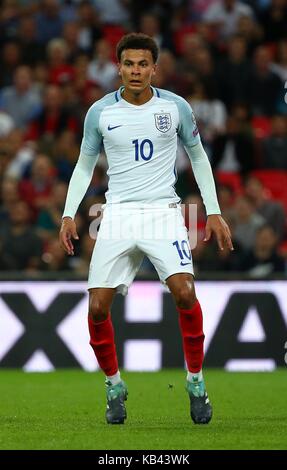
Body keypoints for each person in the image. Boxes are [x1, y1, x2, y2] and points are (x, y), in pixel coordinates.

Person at [59, 33, 233, 425]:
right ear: (118, 67)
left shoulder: (175, 108)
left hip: (163, 212)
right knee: (97, 306)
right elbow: (85, 165)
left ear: (155, 68)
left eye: (143, 64)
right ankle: (114, 386)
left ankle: (195, 382)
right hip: (116, 213)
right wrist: (69, 213)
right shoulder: (100, 112)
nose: (135, 71)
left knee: (185, 292)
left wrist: (215, 211)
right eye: (129, 64)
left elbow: (199, 157)